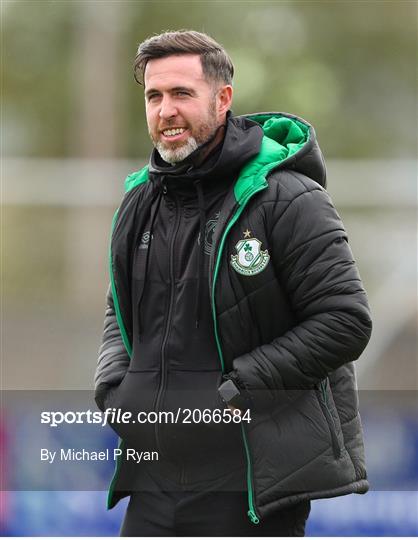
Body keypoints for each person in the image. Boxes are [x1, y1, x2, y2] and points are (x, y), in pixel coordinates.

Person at [94, 30, 372, 537]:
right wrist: (115, 388)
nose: (165, 111)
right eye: (154, 96)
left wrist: (234, 392)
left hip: (249, 486)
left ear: (222, 100)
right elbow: (120, 306)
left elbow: (345, 320)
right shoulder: (139, 201)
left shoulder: (287, 198)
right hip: (152, 478)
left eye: (182, 93)